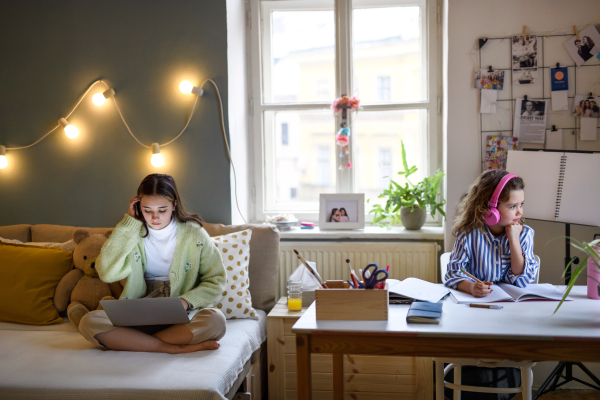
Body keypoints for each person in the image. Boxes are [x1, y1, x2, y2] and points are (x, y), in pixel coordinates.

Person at [77, 174, 227, 353]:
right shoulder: (132, 232)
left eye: (162, 210)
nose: (155, 217)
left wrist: (186, 301)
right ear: (138, 207)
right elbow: (106, 273)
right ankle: (171, 347)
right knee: (88, 322)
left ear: (174, 205)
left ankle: (133, 343)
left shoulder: (195, 234)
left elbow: (216, 279)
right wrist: (128, 225)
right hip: (140, 311)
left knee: (216, 321)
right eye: (147, 210)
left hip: (182, 313)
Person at [444, 170, 539, 297]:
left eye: (521, 204)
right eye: (512, 206)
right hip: (475, 304)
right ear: (490, 209)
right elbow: (453, 273)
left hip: (512, 306)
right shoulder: (468, 235)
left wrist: (514, 239)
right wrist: (471, 287)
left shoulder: (524, 234)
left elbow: (523, 279)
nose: (519, 212)